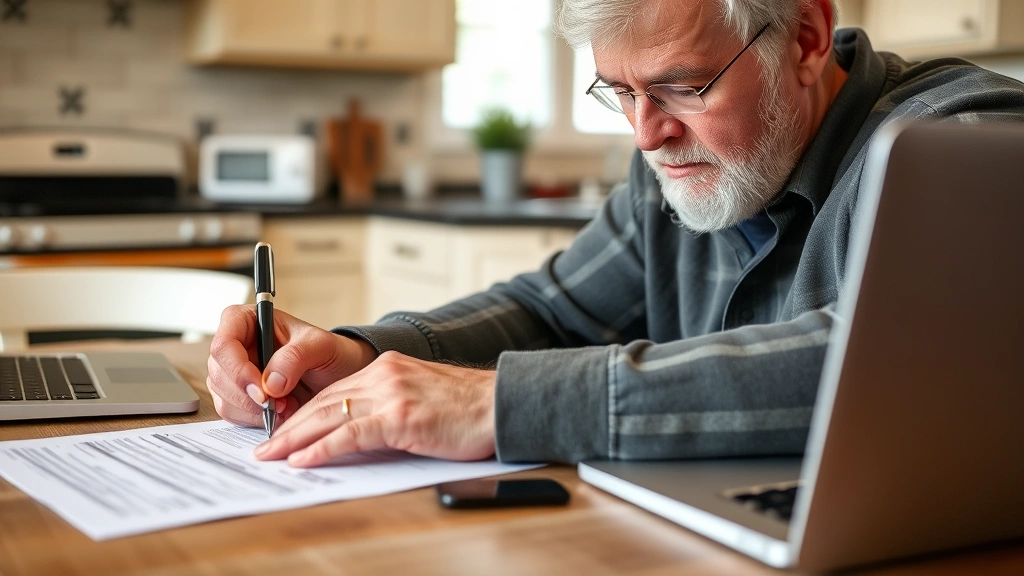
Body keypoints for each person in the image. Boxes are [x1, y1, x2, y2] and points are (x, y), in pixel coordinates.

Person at [207, 0, 1024, 468]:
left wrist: (508, 403)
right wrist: (363, 355)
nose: (645, 134)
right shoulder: (671, 161)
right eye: (619, 92)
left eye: (680, 86)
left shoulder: (970, 139)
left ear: (806, 38)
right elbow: (553, 311)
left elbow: (902, 364)